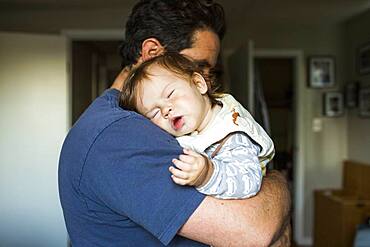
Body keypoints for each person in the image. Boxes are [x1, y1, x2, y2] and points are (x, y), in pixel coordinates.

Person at [58, 0, 291, 246]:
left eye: (210, 71)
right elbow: (254, 232)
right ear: (152, 53)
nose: (205, 80)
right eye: (198, 66)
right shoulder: (120, 135)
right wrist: (279, 183)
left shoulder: (128, 122)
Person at [120, 52, 275, 199]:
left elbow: (249, 181)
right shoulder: (187, 126)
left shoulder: (231, 133)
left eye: (170, 95)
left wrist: (207, 174)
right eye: (154, 113)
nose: (165, 110)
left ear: (199, 84)